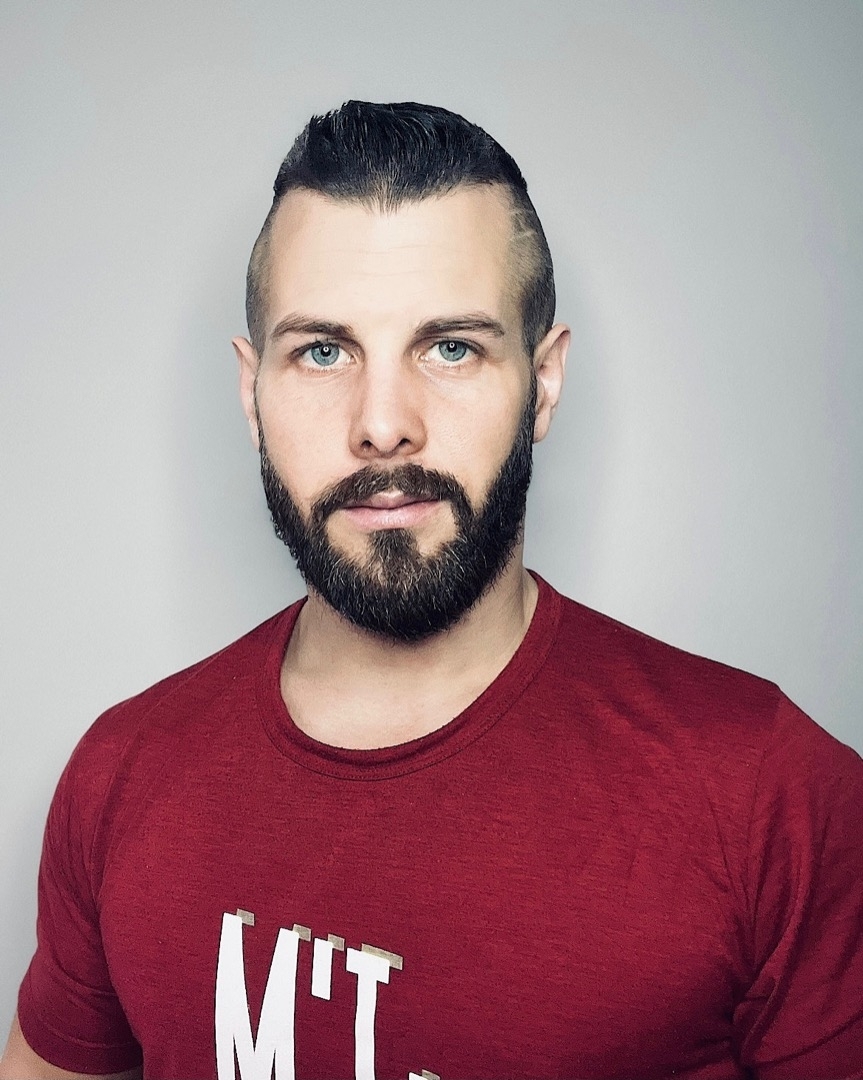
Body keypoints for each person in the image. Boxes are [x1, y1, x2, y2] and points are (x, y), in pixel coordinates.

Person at [1, 100, 861, 1080]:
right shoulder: (121, 774)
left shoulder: (768, 795)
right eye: (322, 351)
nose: (382, 424)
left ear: (543, 382)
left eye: (450, 347)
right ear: (252, 391)